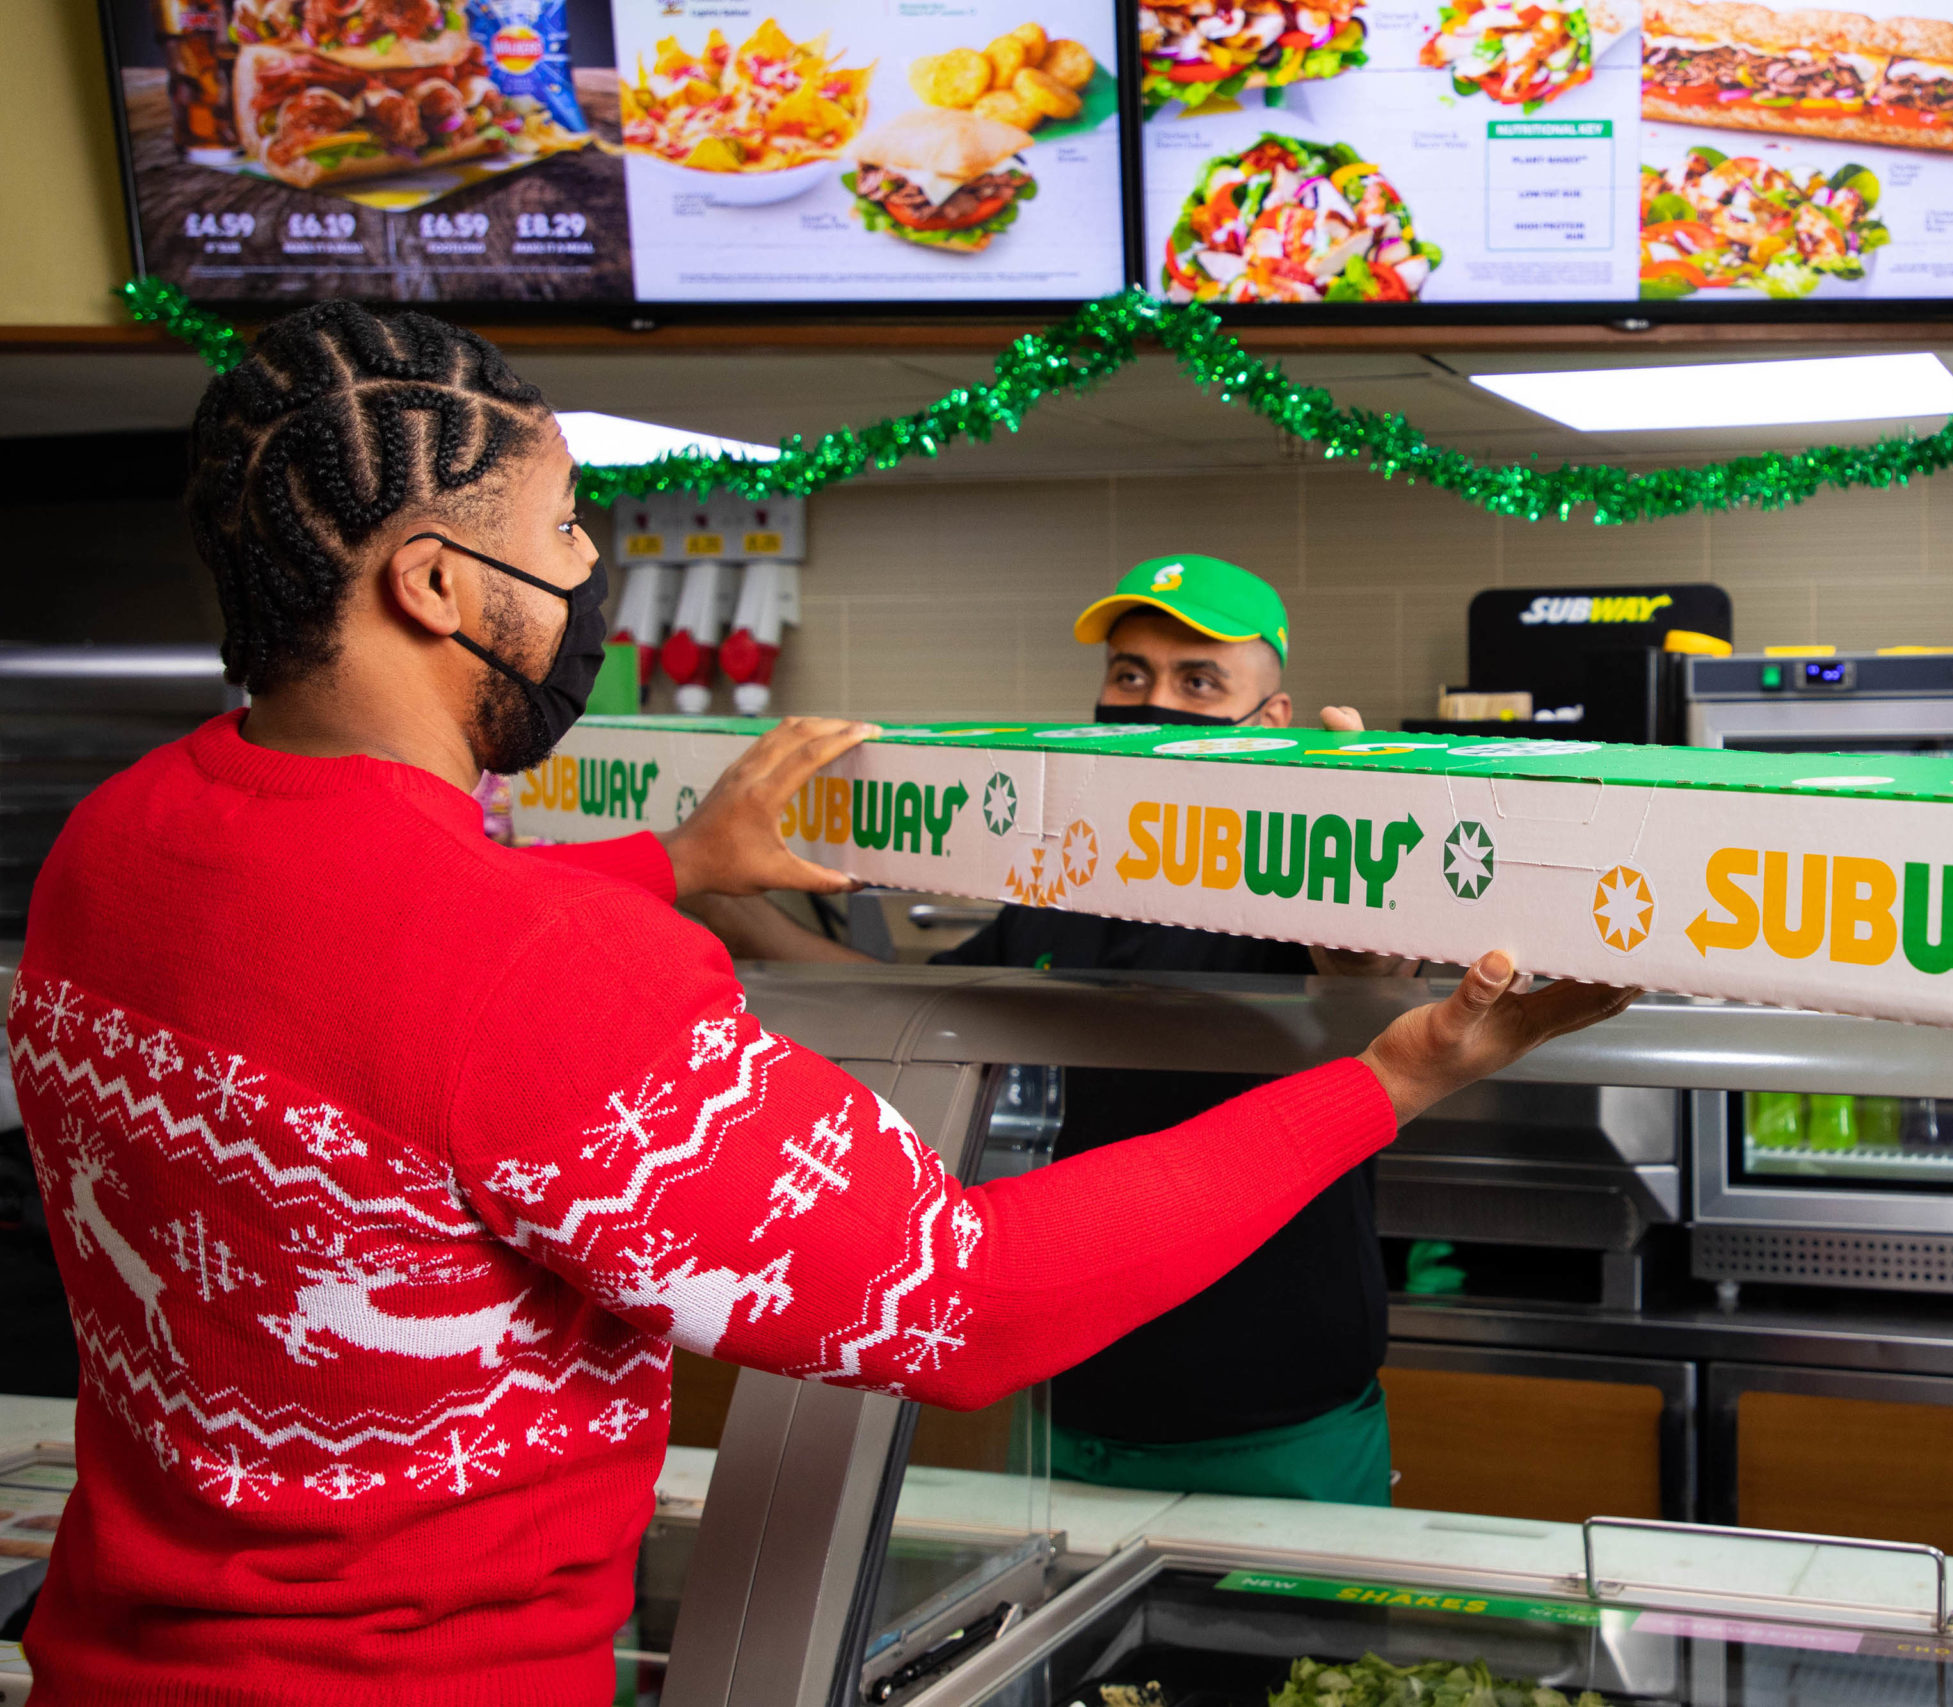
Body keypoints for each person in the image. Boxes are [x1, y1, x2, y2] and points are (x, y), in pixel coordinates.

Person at [2, 302, 1634, 1705]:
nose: (589, 573)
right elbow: (969, 1304)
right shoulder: (541, 969)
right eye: (570, 527)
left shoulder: (118, 840)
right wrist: (1403, 1072)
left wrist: (676, 858)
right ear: (435, 582)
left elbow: (365, 968)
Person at [689, 557, 1419, 1507]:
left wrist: (1353, 885)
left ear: (1271, 720)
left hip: (1280, 1413)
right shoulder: (1066, 881)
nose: (1153, 703)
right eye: (1130, 676)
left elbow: (1362, 976)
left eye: (1198, 681)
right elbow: (922, 1009)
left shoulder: (1290, 883)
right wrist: (728, 901)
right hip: (1074, 1394)